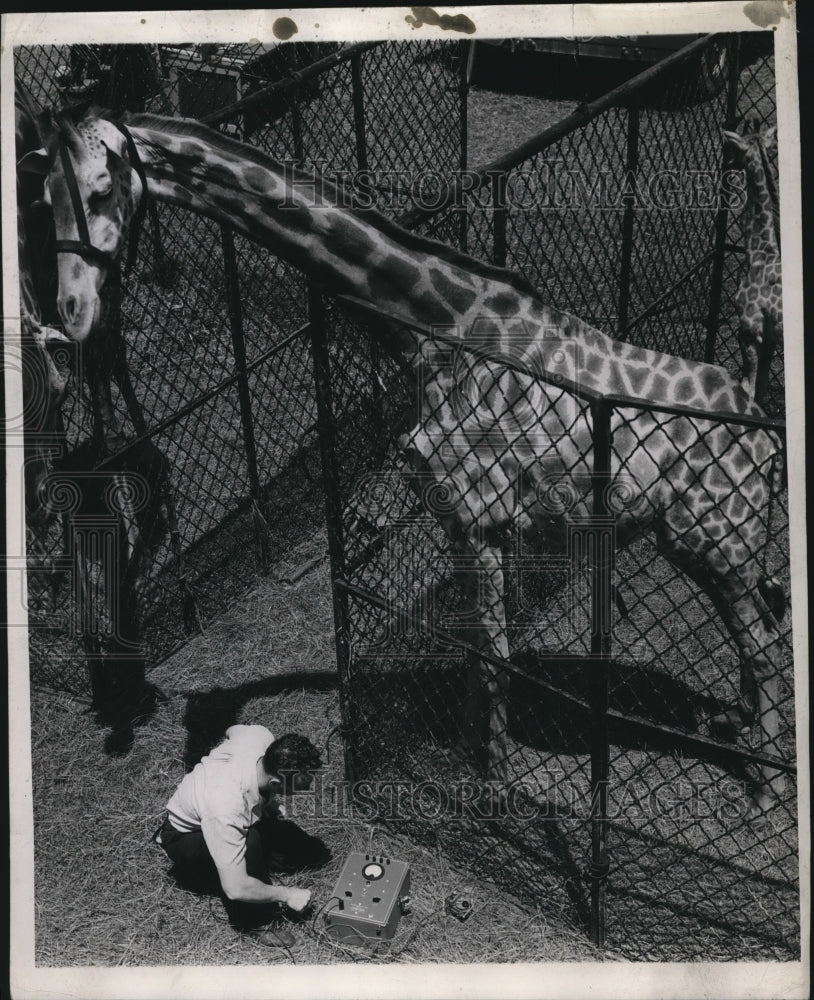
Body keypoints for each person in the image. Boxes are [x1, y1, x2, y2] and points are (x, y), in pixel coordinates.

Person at [154, 726, 330, 934]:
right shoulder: (226, 809)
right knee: (250, 843)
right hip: (184, 836)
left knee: (302, 853)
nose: (308, 789)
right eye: (301, 786)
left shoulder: (259, 737)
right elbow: (235, 889)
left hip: (224, 804)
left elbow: (231, 730)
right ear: (275, 783)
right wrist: (287, 894)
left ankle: (258, 865)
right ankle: (256, 920)